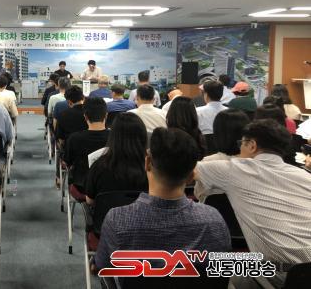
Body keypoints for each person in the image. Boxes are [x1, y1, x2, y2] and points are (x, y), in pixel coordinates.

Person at [95, 128, 231, 276]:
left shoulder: (117, 220)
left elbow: (102, 266)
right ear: (192, 176)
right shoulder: (214, 221)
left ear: (147, 163)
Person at [195, 120, 311, 288]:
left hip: (283, 274)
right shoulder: (304, 176)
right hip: (302, 269)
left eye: (241, 143)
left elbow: (182, 169)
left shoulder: (234, 169)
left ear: (252, 145)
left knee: (209, 264)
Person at [86, 113, 149, 204]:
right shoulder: (152, 168)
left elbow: (90, 200)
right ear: (143, 136)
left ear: (113, 136)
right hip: (145, 213)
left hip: (106, 213)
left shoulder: (98, 166)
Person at [63, 98, 109, 194]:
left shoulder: (74, 139)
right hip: (110, 186)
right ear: (106, 115)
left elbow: (67, 161)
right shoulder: (116, 137)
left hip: (82, 187)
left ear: (85, 117)